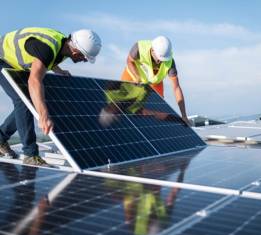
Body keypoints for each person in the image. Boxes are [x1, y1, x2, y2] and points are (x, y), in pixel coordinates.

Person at [0, 27, 102, 165]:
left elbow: (48, 59)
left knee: (31, 101)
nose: (84, 60)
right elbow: (34, 80)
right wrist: (43, 116)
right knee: (23, 101)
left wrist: (58, 70)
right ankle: (30, 155)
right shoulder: (47, 47)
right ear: (75, 50)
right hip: (2, 57)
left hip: (13, 63)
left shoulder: (65, 46)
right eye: (84, 56)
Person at [121, 36, 190, 125]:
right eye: (159, 59)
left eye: (163, 60)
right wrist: (137, 77)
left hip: (155, 82)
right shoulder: (139, 47)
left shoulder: (170, 62)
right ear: (152, 50)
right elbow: (129, 61)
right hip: (133, 77)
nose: (160, 62)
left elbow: (176, 88)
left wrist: (183, 115)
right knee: (126, 106)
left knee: (158, 111)